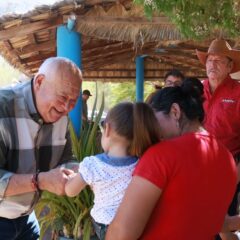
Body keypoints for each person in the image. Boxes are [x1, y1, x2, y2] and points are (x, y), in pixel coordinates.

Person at [106, 81, 237, 240]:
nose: (149, 128)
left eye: (153, 119)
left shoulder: (160, 155)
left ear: (175, 111)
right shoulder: (226, 158)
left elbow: (120, 234)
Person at [0, 57, 83, 239]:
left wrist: (81, 171)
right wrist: (40, 181)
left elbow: (67, 159)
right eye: (62, 97)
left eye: (73, 101)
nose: (67, 108)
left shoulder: (61, 116)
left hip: (27, 219)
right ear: (39, 82)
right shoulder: (3, 107)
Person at [65, 102, 161, 240]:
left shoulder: (93, 164)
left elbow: (70, 191)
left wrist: (74, 177)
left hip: (104, 226)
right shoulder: (140, 164)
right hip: (130, 226)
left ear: (107, 129)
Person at [196, 38, 240, 240]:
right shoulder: (195, 91)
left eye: (219, 60)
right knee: (196, 220)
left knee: (222, 222)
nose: (212, 64)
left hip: (228, 168)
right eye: (209, 60)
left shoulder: (238, 92)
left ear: (230, 66)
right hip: (195, 168)